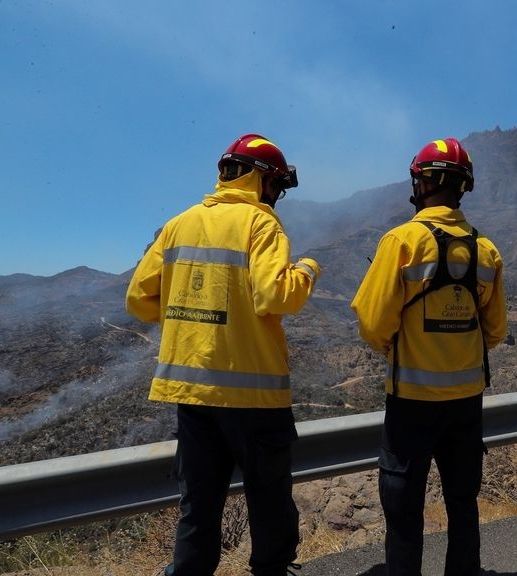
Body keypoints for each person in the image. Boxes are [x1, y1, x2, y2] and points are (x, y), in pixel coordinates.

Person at [126, 133, 320, 576]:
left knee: (199, 503)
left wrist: (185, 316)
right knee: (269, 499)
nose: (276, 195)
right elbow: (277, 296)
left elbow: (137, 299)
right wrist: (307, 270)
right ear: (261, 179)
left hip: (193, 394)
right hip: (254, 395)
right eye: (276, 185)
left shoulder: (179, 224)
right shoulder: (261, 224)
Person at [351, 137, 508, 576]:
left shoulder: (402, 242)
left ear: (423, 183)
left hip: (412, 402)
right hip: (466, 402)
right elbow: (495, 330)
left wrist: (399, 347)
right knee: (462, 501)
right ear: (463, 186)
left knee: (403, 507)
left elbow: (372, 321)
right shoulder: (485, 249)